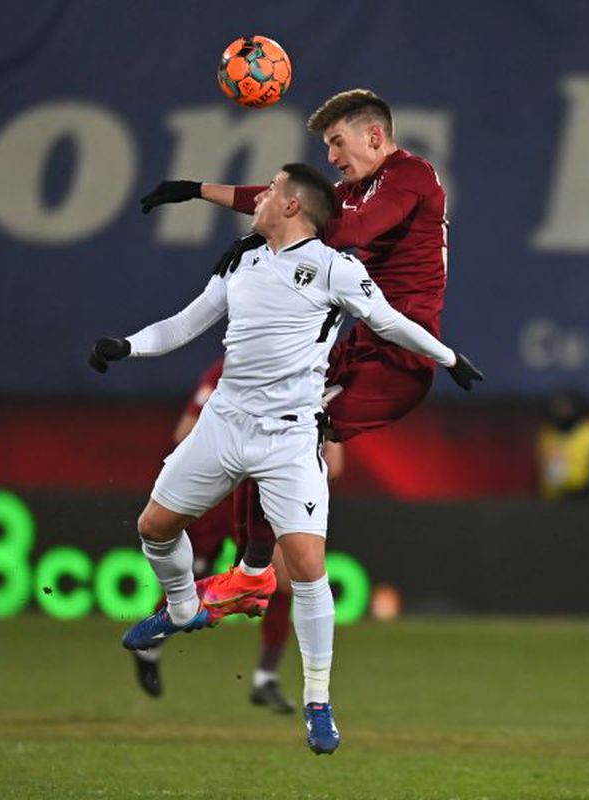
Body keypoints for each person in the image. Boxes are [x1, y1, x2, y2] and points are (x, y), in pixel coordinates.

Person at [91, 163, 483, 754]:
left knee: (307, 569)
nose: (261, 196)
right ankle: (180, 608)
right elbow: (185, 323)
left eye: (271, 189)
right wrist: (128, 346)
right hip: (223, 424)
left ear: (293, 206)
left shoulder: (336, 267)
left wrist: (449, 358)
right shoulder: (241, 259)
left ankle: (318, 704)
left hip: (290, 437)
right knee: (154, 527)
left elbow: (389, 321)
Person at [140, 88, 452, 613]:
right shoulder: (362, 185)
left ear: (374, 136)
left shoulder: (410, 176)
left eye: (337, 142)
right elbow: (282, 198)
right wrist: (197, 189)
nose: (330, 157)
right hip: (363, 345)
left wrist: (274, 230)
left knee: (295, 426)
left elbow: (351, 229)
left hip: (401, 356)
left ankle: (254, 573)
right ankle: (253, 574)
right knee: (269, 416)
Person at [132, 357, 343, 715]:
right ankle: (150, 646)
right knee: (195, 576)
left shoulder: (313, 378)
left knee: (284, 581)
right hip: (221, 494)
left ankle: (265, 678)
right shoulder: (230, 369)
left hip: (265, 497)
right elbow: (184, 434)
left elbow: (334, 468)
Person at [537, 391, 589, 500]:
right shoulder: (547, 435)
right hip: (555, 500)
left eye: (566, 406)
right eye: (558, 406)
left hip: (588, 498)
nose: (562, 411)